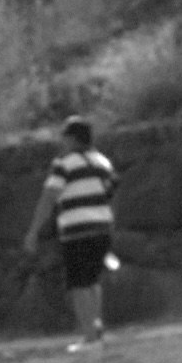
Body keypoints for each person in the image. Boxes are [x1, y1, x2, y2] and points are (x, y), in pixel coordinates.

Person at [23, 117, 117, 340]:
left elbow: (49, 198)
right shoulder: (102, 162)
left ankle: (89, 336)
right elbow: (110, 193)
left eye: (64, 136)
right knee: (93, 281)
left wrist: (34, 231)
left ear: (73, 138)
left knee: (78, 284)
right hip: (103, 228)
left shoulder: (63, 164)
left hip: (77, 230)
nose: (62, 141)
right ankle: (96, 327)